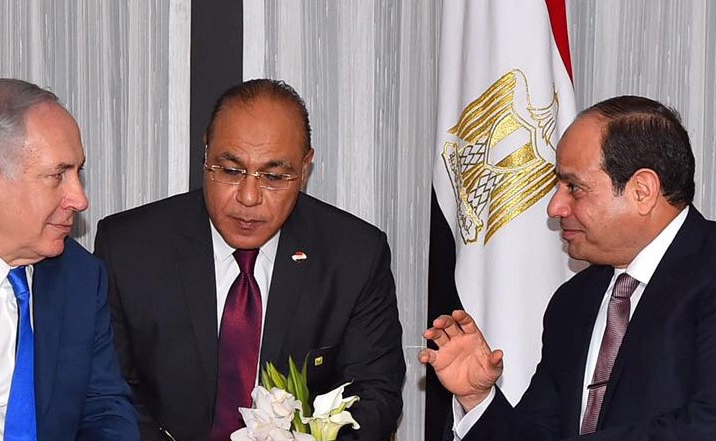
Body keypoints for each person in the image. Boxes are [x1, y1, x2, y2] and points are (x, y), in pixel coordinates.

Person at [94, 78, 405, 441]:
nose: (248, 197)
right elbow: (110, 394)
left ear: (305, 168)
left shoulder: (354, 255)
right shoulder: (129, 248)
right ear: (206, 153)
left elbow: (374, 396)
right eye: (230, 171)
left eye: (273, 176)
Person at [420, 95, 716, 440]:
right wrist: (477, 398)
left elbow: (705, 426)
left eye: (574, 187)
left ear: (642, 191)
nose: (555, 207)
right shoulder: (574, 300)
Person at [0, 79, 139, 440]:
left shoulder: (80, 277)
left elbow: (104, 410)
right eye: (57, 176)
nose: (80, 199)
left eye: (77, 173)